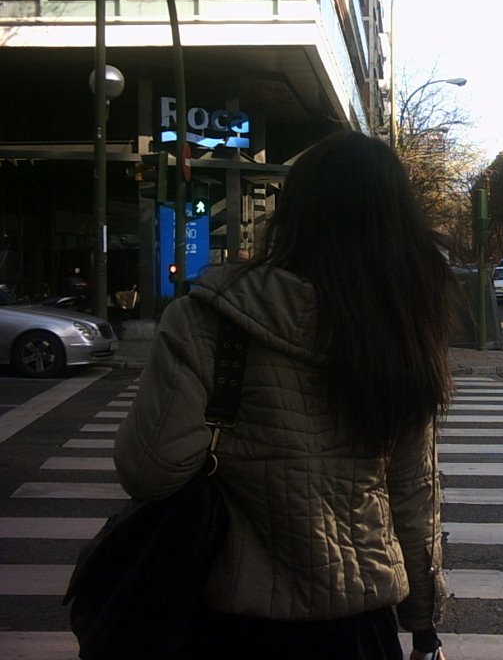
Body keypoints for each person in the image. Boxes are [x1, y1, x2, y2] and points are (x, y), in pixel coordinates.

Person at [114, 131, 454, 660]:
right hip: (359, 623)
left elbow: (151, 470)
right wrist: (423, 625)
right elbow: (413, 492)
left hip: (230, 621)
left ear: (291, 211)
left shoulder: (208, 317)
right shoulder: (401, 329)